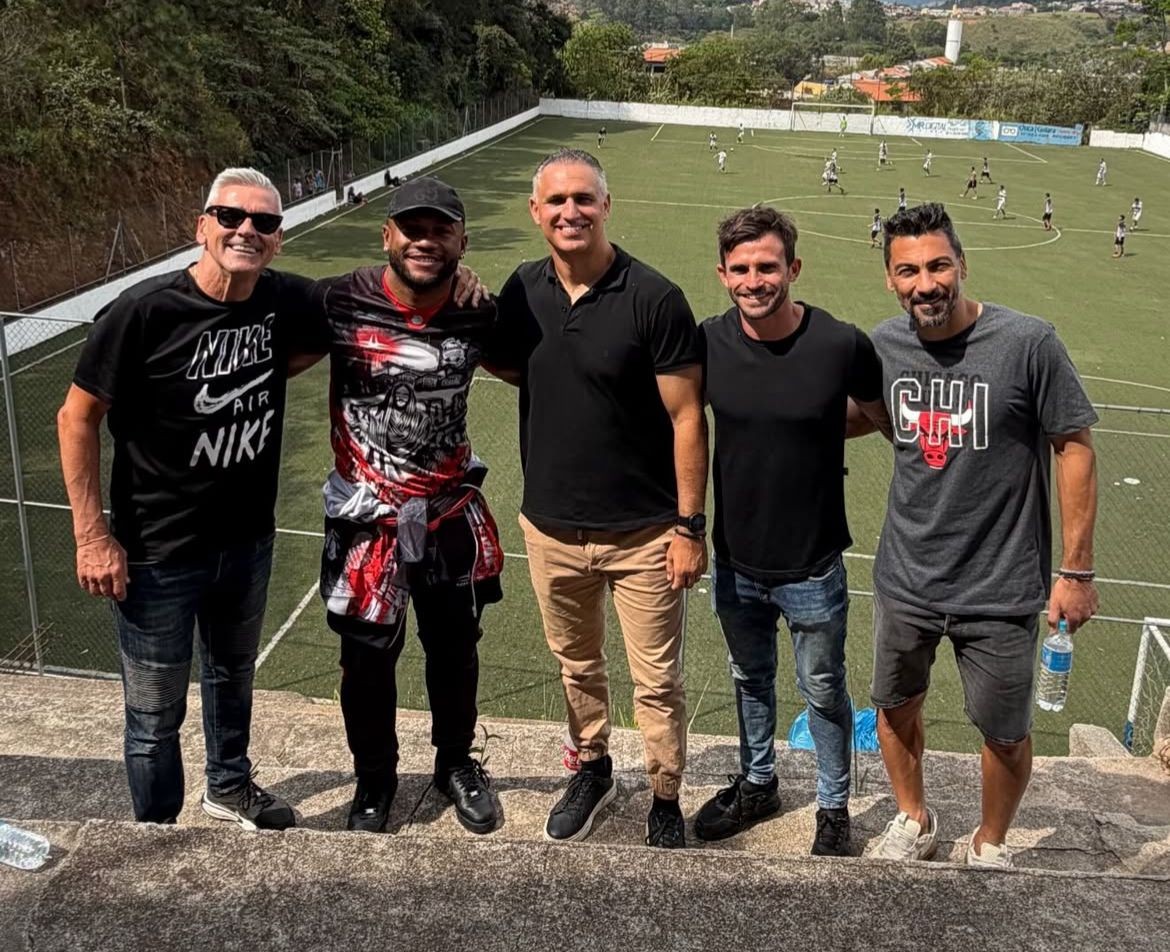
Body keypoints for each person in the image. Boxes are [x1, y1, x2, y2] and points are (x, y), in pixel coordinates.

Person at [57, 168, 323, 830]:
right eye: (231, 216)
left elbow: (365, 300)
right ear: (202, 226)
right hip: (157, 553)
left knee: (233, 677)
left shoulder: (283, 299)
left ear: (278, 239)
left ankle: (228, 787)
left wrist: (455, 280)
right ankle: (157, 837)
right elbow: (75, 418)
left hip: (247, 542)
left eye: (264, 222)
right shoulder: (144, 311)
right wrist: (92, 536)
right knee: (154, 712)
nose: (246, 230)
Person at [857, 203, 1098, 869]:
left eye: (938, 266)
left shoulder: (1028, 342)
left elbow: (1074, 446)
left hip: (1002, 585)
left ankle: (990, 841)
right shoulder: (884, 346)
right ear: (890, 279)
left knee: (1006, 732)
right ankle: (914, 818)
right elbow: (862, 416)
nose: (926, 284)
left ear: (961, 264)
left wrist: (1076, 572)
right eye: (909, 271)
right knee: (894, 707)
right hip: (906, 578)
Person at [495, 148, 707, 849]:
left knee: (657, 682)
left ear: (606, 206)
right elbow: (504, 358)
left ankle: (665, 795)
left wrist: (689, 526)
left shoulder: (654, 297)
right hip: (551, 529)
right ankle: (592, 768)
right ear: (536, 211)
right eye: (556, 201)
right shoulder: (521, 290)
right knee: (576, 665)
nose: (570, 212)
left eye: (583, 198)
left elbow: (687, 417)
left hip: (645, 534)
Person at [306, 176, 503, 836]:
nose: (425, 241)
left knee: (456, 651)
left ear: (462, 242)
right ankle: (374, 778)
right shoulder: (338, 299)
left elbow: (542, 366)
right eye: (412, 229)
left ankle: (455, 763)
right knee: (365, 662)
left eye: (440, 230)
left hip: (446, 514)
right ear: (386, 234)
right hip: (366, 523)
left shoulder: (481, 311)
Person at [694, 206, 889, 856]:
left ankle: (833, 807)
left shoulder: (839, 343)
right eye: (741, 268)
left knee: (824, 689)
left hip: (813, 565)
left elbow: (879, 416)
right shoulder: (707, 342)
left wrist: (816, 428)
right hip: (735, 561)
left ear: (793, 268)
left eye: (767, 266)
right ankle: (758, 784)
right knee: (750, 679)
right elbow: (679, 421)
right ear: (723, 274)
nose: (755, 280)